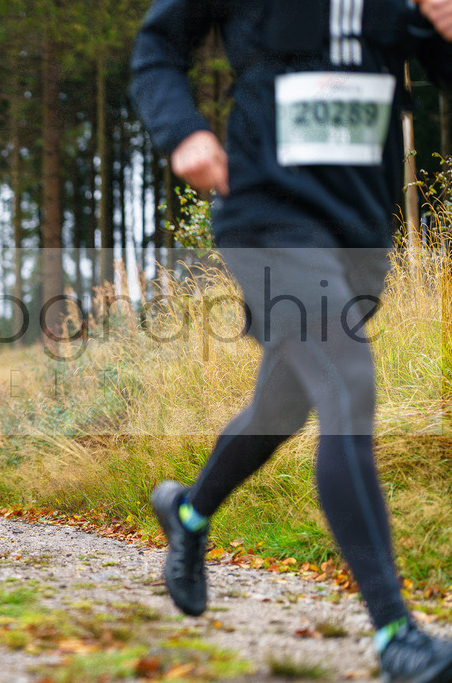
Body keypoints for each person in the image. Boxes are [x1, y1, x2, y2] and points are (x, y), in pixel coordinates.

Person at [130, 1, 452, 680]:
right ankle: (396, 630)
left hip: (359, 231)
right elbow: (158, 49)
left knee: (284, 407)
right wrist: (183, 130)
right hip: (265, 214)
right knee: (347, 384)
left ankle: (188, 511)